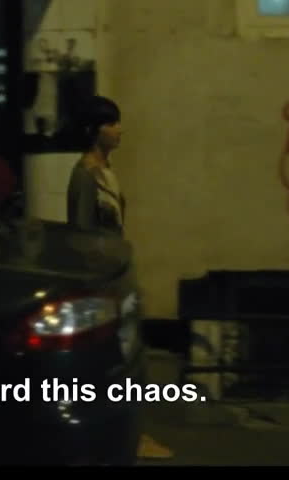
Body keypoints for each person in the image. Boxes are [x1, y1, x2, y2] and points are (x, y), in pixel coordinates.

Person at [64, 95, 174, 461]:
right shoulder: (85, 175)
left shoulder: (105, 171)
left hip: (115, 276)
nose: (119, 130)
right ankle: (126, 436)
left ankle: (130, 432)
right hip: (103, 281)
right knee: (113, 363)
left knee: (124, 360)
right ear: (94, 131)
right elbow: (81, 234)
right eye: (111, 123)